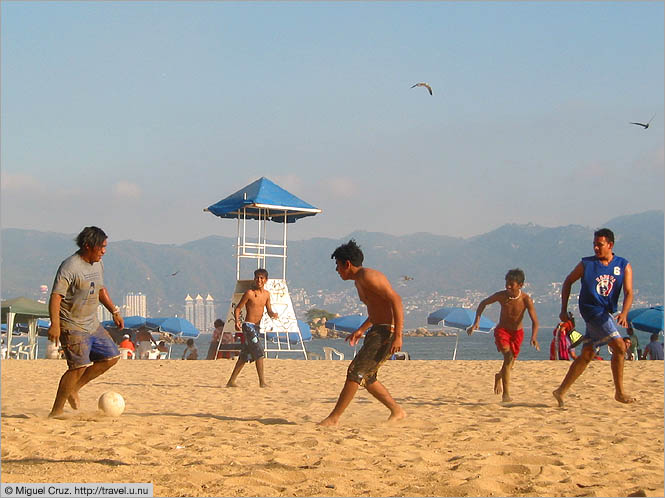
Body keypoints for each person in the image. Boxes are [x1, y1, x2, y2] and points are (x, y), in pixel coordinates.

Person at [319, 240, 406, 426]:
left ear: (347, 264)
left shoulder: (368, 276)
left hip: (386, 332)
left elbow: (396, 300)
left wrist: (398, 335)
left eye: (338, 265)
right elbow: (377, 310)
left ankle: (333, 418)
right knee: (367, 376)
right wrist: (361, 329)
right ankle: (397, 411)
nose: (337, 270)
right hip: (377, 329)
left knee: (355, 371)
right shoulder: (359, 281)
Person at [47, 226, 124, 418]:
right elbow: (56, 297)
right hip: (72, 325)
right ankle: (56, 411)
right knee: (78, 367)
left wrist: (114, 311)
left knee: (111, 357)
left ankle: (75, 388)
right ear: (88, 246)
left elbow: (100, 289)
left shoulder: (98, 264)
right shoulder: (70, 267)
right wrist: (55, 324)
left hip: (92, 323)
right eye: (101, 247)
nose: (104, 251)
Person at [553, 228, 635, 407]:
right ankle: (619, 392)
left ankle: (560, 391)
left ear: (610, 245)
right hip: (591, 310)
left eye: (600, 245)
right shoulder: (586, 264)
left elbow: (629, 292)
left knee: (587, 354)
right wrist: (563, 308)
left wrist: (624, 312)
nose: (596, 248)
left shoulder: (623, 265)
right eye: (594, 245)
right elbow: (568, 282)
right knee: (620, 347)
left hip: (605, 312)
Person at [467, 268, 540, 402]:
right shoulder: (501, 296)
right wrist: (476, 322)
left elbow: (535, 321)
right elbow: (483, 303)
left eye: (511, 284)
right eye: (506, 283)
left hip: (517, 333)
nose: (508, 286)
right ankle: (506, 395)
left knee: (510, 365)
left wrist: (534, 337)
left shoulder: (526, 300)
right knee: (508, 356)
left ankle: (498, 376)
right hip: (503, 331)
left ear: (520, 285)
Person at [226, 269, 278, 388]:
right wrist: (237, 321)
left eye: (261, 278)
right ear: (254, 279)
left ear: (265, 280)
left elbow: (269, 310)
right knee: (259, 352)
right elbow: (238, 308)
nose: (259, 280)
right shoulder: (249, 293)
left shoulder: (266, 295)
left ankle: (231, 381)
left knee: (244, 355)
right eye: (257, 278)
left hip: (257, 327)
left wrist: (273, 314)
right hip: (248, 326)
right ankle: (262, 382)